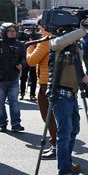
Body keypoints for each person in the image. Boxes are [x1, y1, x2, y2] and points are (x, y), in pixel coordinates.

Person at [48, 21, 88, 175]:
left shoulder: (75, 47)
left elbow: (78, 67)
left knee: (74, 129)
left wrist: (83, 76)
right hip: (59, 93)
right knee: (65, 132)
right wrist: (83, 30)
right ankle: (64, 172)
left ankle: (67, 161)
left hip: (72, 92)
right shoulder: (56, 41)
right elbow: (57, 43)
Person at [26, 19, 58, 158]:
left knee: (49, 116)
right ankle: (58, 145)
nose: (39, 32)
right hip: (57, 81)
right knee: (57, 117)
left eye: (40, 28)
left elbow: (31, 61)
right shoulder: (60, 38)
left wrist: (30, 46)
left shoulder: (46, 40)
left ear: (45, 27)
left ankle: (56, 145)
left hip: (46, 83)